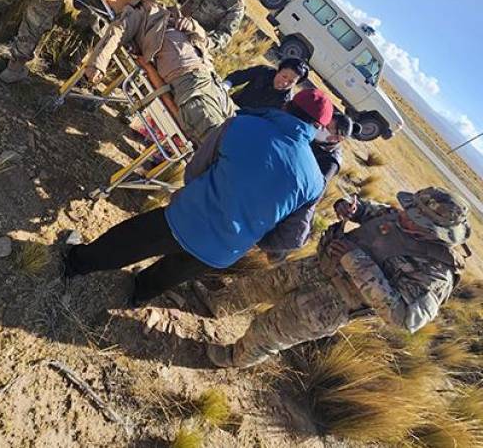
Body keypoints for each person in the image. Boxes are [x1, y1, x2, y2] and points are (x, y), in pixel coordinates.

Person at [58, 89, 331, 307]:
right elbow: (291, 239)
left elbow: (196, 169)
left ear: (288, 106)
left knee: (131, 241)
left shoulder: (241, 124)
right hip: (226, 249)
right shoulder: (315, 181)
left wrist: (196, 194)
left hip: (188, 216)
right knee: (176, 271)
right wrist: (252, 233)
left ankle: (77, 262)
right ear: (318, 127)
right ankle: (139, 294)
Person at [204, 187, 469, 368]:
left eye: (413, 218)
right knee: (256, 286)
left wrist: (356, 260)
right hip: (316, 265)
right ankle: (215, 305)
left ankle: (232, 358)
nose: (403, 216)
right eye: (409, 210)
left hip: (330, 304)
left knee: (268, 331)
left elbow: (402, 318)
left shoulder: (436, 272)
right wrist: (353, 208)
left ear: (434, 231)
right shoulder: (399, 217)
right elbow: (373, 212)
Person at [82, 0, 234, 144]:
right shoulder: (140, 13)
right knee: (217, 141)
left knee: (239, 132)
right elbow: (116, 32)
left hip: (214, 81)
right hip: (190, 83)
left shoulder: (173, 14)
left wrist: (193, 26)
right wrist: (97, 64)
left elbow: (205, 42)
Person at [254, 112, 353, 262]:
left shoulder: (330, 162)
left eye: (327, 128)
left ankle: (271, 259)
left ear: (337, 138)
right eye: (323, 124)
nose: (321, 128)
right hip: (278, 183)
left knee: (275, 244)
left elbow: (312, 191)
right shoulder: (314, 137)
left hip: (293, 202)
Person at [224, 58, 308, 111]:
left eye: (291, 82)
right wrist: (225, 86)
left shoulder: (286, 102)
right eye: (284, 76)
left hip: (246, 124)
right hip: (231, 105)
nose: (285, 82)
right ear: (278, 71)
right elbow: (237, 77)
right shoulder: (264, 71)